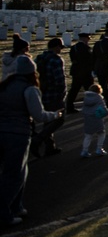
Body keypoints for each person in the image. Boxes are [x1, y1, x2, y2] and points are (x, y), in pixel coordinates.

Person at [0, 56, 60, 227]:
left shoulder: (4, 86)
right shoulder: (29, 89)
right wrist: (55, 115)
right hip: (17, 134)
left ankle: (16, 206)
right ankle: (4, 214)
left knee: (19, 172)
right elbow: (38, 115)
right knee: (14, 175)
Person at [31, 37, 68, 157]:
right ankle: (37, 140)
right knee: (59, 119)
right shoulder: (56, 60)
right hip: (54, 94)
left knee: (49, 120)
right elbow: (60, 80)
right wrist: (62, 94)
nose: (61, 50)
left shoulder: (39, 58)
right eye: (60, 47)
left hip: (42, 92)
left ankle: (50, 147)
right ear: (56, 46)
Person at [66, 32, 93, 113]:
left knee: (74, 90)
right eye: (88, 38)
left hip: (76, 71)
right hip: (85, 72)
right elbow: (89, 60)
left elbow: (73, 59)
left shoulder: (74, 47)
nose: (88, 40)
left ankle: (69, 106)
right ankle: (92, 105)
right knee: (89, 90)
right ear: (84, 38)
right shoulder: (86, 48)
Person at [80, 84, 108, 157]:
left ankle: (84, 150)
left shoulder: (86, 98)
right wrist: (105, 113)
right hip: (97, 118)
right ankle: (99, 148)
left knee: (88, 135)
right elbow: (104, 108)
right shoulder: (98, 98)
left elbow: (83, 110)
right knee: (101, 133)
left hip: (88, 119)